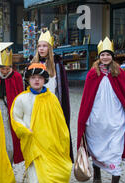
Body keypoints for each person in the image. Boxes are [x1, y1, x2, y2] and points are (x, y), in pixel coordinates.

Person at [77, 37, 125, 183]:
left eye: (108, 54)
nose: (105, 57)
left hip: (115, 118)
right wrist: (84, 119)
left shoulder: (119, 73)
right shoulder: (92, 74)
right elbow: (86, 98)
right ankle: (97, 172)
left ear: (112, 56)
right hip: (96, 118)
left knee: (115, 148)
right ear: (99, 57)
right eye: (103, 55)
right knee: (96, 145)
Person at [11, 63, 72, 183]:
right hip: (32, 141)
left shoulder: (52, 99)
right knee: (36, 176)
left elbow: (60, 122)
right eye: (33, 78)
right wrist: (24, 130)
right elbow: (16, 118)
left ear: (44, 80)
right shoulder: (22, 99)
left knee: (50, 173)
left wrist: (63, 140)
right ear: (28, 80)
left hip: (51, 143)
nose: (36, 81)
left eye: (39, 78)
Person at [31, 30, 73, 162]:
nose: (41, 49)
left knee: (53, 137)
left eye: (44, 46)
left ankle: (54, 164)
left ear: (49, 48)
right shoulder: (32, 64)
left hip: (53, 106)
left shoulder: (57, 65)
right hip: (37, 106)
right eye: (39, 46)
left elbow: (61, 89)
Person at [0, 48, 24, 165]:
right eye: (2, 69)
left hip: (11, 111)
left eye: (8, 69)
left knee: (11, 141)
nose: (5, 71)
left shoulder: (16, 77)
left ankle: (9, 164)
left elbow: (20, 94)